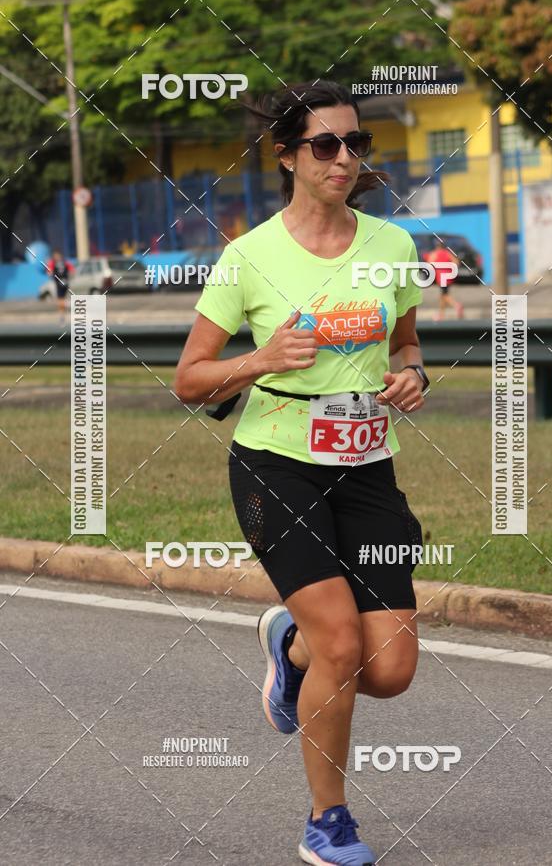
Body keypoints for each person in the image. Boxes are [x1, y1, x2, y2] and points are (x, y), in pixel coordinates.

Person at [175, 80, 430, 866]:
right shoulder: (248, 255)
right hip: (275, 463)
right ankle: (329, 821)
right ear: (285, 156)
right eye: (326, 145)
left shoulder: (393, 247)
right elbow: (190, 378)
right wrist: (260, 359)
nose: (345, 159)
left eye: (357, 144)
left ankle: (290, 652)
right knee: (343, 647)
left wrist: (415, 375)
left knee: (390, 668)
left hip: (367, 468)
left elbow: (407, 345)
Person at [428, 237, 464, 321]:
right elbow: (456, 263)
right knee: (442, 296)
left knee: (445, 296)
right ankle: (441, 315)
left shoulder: (434, 254)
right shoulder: (447, 253)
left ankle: (457, 305)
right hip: (448, 277)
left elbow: (429, 264)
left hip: (441, 278)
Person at [46, 249, 76, 323]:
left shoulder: (62, 263)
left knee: (61, 300)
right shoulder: (58, 262)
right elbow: (49, 272)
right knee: (61, 299)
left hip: (62, 284)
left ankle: (65, 310)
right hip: (61, 283)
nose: (56, 257)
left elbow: (72, 271)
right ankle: (62, 315)